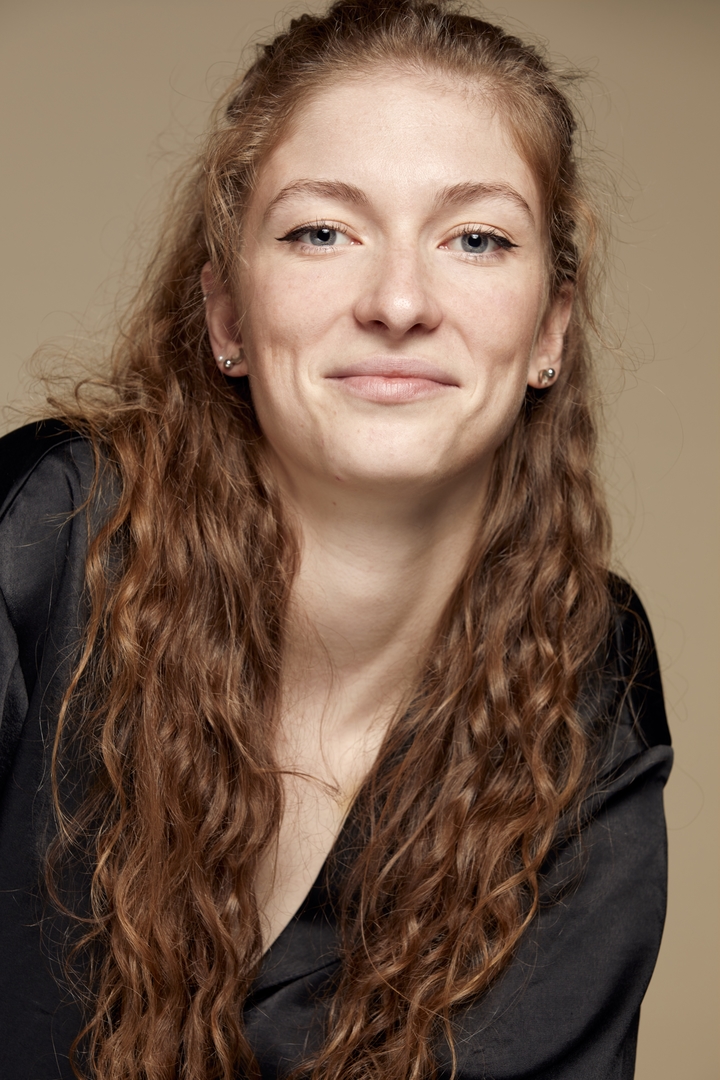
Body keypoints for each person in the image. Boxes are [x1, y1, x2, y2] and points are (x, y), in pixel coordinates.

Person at [0, 1, 672, 1077]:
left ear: (550, 330)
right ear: (227, 315)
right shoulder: (46, 534)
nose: (399, 301)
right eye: (323, 231)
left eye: (476, 239)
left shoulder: (591, 674)